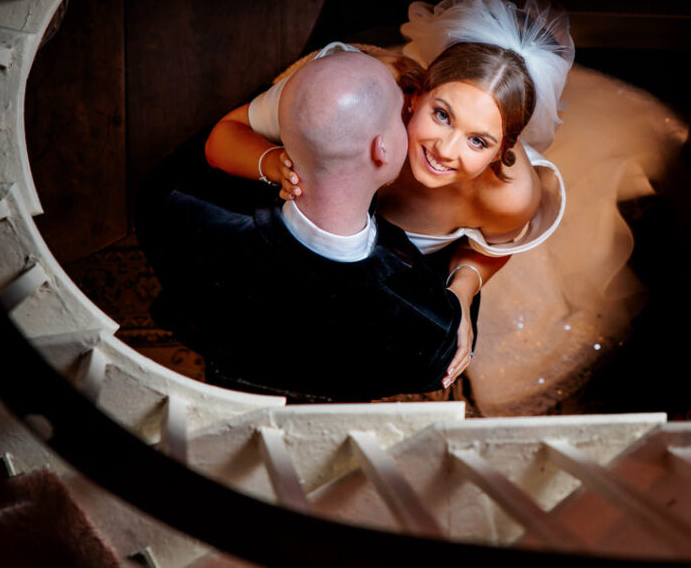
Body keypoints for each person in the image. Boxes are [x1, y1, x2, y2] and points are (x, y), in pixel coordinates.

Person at [205, 0, 573, 392]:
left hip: (398, 272)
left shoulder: (511, 196)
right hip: (302, 230)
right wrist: (273, 163)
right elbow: (223, 135)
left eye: (478, 141)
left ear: (502, 149)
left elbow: (487, 249)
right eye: (442, 115)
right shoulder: (361, 93)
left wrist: (462, 296)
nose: (446, 150)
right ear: (416, 96)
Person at [136, 49, 471, 402]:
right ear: (382, 149)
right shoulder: (434, 330)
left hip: (226, 348)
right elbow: (430, 368)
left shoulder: (171, 209)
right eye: (400, 118)